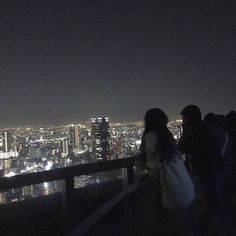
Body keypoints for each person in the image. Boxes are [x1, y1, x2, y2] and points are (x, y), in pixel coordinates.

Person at [178, 105, 232, 235]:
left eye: (183, 118)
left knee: (210, 201)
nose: (182, 121)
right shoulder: (205, 129)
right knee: (217, 200)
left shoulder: (190, 131)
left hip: (205, 172)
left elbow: (179, 149)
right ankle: (222, 226)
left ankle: (221, 228)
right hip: (217, 169)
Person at [140, 108, 193, 236]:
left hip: (169, 185)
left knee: (172, 223)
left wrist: (144, 165)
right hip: (183, 182)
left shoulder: (151, 136)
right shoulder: (167, 134)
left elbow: (154, 164)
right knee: (184, 224)